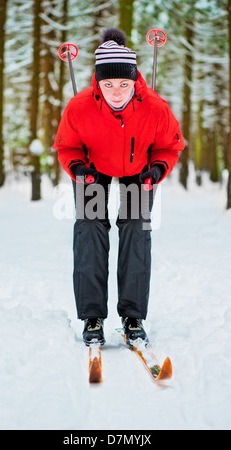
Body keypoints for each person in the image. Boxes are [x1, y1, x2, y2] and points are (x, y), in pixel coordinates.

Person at [53, 28, 184, 347]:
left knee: (137, 228)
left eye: (123, 84)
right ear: (97, 83)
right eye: (108, 84)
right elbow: (66, 146)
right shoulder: (80, 107)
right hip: (91, 170)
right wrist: (77, 168)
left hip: (140, 170)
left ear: (135, 80)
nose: (116, 91)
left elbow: (170, 146)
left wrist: (157, 169)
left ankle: (133, 315)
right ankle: (92, 316)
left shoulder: (155, 107)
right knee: (90, 227)